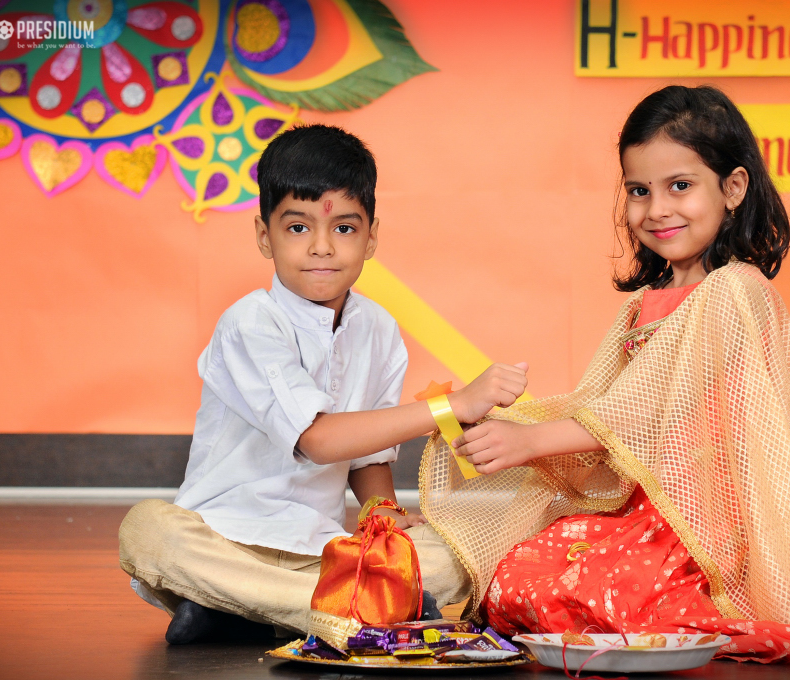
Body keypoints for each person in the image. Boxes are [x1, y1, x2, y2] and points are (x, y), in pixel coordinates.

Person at [417, 86, 790, 666]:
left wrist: (532, 440)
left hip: (703, 522)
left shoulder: (735, 290)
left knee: (590, 596)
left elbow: (644, 411)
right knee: (520, 575)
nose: (657, 209)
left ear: (733, 188)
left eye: (680, 186)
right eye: (639, 191)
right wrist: (509, 422)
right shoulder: (644, 301)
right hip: (641, 506)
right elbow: (600, 401)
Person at [118, 124, 526, 644]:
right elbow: (318, 439)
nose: (321, 247)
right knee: (149, 532)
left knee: (455, 553)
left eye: (345, 229)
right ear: (264, 236)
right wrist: (455, 404)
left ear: (372, 237)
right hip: (223, 539)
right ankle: (363, 611)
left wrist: (382, 515)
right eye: (297, 228)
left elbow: (368, 456)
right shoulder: (250, 323)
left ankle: (242, 609)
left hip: (322, 549)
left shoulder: (377, 328)